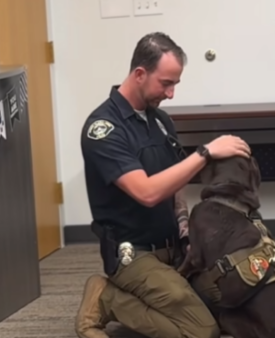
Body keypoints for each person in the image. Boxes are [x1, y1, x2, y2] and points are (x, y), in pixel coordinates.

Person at [76, 32, 251, 338]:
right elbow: (147, 192)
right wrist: (206, 152)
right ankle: (107, 298)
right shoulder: (103, 129)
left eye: (175, 85)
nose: (171, 94)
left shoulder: (160, 121)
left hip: (173, 249)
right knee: (202, 330)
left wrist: (184, 226)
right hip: (133, 255)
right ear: (140, 74)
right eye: (166, 83)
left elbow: (174, 182)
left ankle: (150, 297)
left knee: (227, 304)